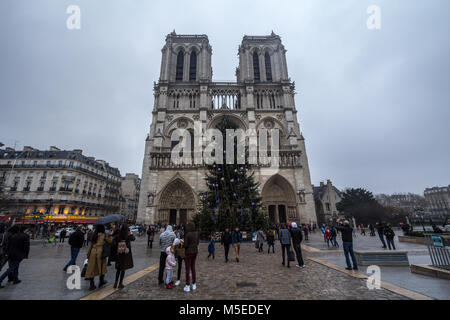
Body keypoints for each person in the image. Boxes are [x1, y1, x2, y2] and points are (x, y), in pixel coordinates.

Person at [85, 224, 112, 291]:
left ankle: (92, 284)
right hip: (100, 252)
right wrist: (109, 235)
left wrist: (88, 255)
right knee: (102, 267)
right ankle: (101, 281)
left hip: (93, 252)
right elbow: (110, 241)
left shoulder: (94, 235)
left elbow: (90, 246)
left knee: (92, 268)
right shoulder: (104, 235)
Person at [114, 224, 135, 289]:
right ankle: (120, 283)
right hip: (125, 254)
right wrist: (130, 233)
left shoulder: (118, 236)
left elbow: (114, 243)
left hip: (119, 254)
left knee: (118, 269)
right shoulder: (128, 236)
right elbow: (133, 238)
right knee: (123, 269)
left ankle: (115, 283)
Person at [183, 222, 199, 292]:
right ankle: (194, 284)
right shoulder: (196, 234)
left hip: (188, 252)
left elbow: (185, 245)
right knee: (193, 267)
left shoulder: (188, 234)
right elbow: (198, 242)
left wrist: (183, 244)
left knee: (187, 269)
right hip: (195, 252)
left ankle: (187, 285)